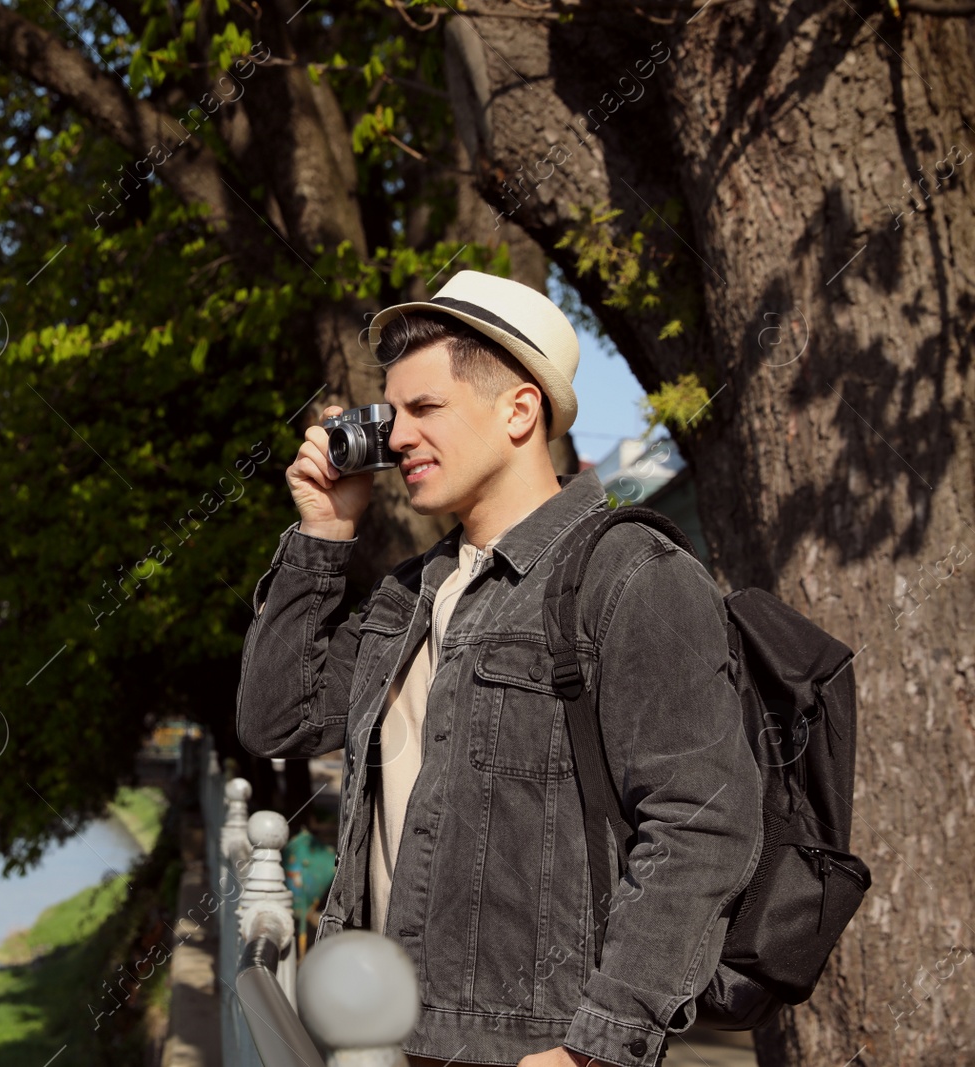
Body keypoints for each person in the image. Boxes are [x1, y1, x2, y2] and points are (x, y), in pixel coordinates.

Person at [235, 271, 761, 1067]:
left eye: (424, 409)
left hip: (524, 1050)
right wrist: (322, 536)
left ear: (520, 410)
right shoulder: (409, 594)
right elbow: (276, 720)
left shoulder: (632, 576)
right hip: (374, 1038)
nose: (398, 437)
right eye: (392, 413)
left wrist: (595, 1048)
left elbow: (704, 824)